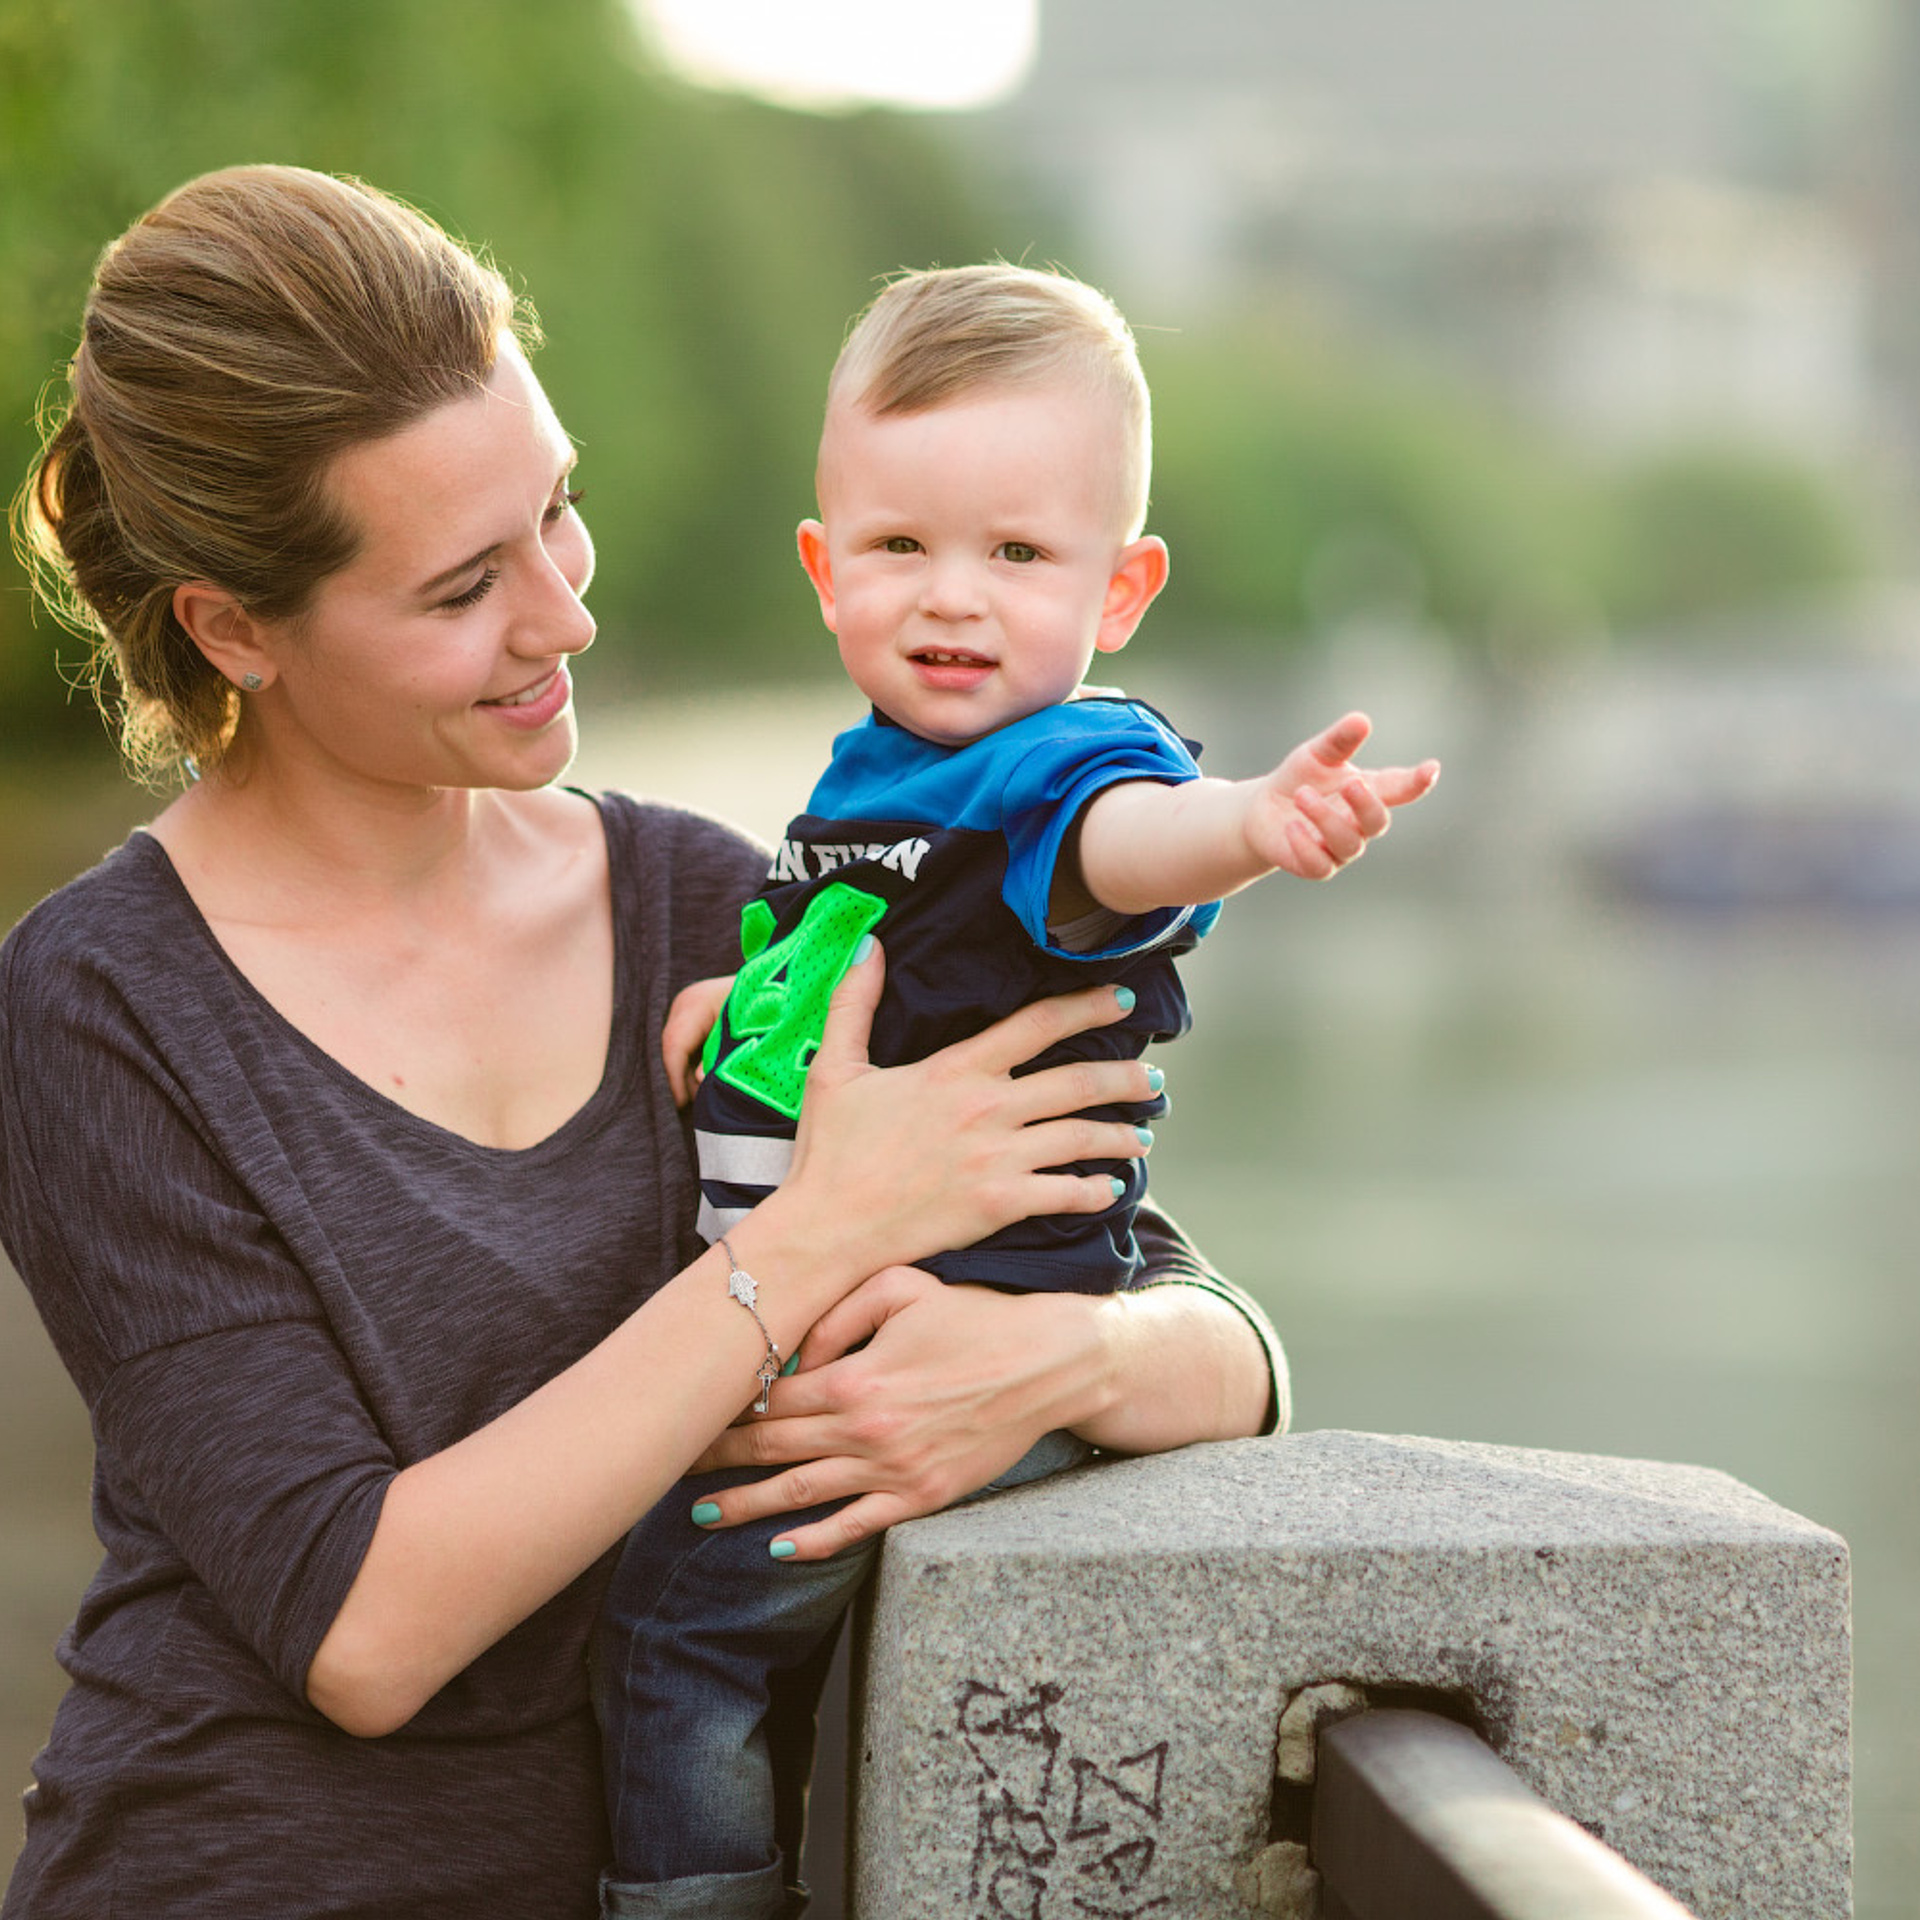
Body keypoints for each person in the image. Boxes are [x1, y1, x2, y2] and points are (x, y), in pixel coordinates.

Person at [0, 169, 1290, 1920]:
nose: (565, 616)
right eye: (465, 586)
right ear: (238, 630)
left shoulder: (709, 901)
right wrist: (817, 1237)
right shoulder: (99, 1008)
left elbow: (1201, 1323)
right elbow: (361, 1627)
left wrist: (1057, 1369)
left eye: (561, 512)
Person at [594, 265, 1440, 1917]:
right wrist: (731, 1006)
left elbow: (1125, 849)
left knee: (679, 1630)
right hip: (849, 1309)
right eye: (902, 548)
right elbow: (870, 971)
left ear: (1118, 591)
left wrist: (1249, 822)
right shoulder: (873, 776)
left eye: (1019, 554)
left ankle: (687, 1901)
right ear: (827, 570)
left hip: (964, 1326)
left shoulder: (1064, 762)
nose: (954, 598)